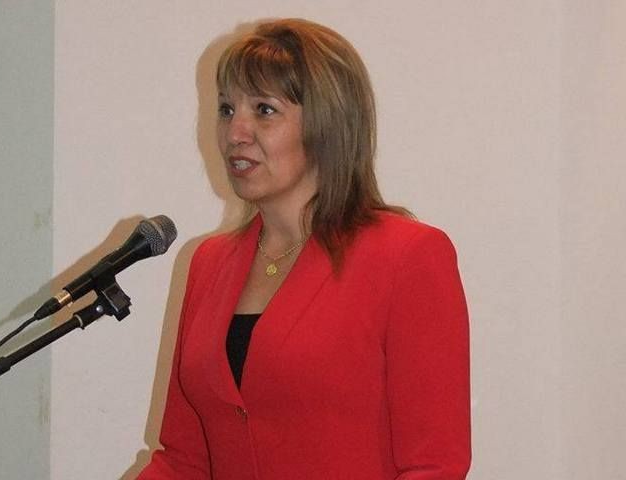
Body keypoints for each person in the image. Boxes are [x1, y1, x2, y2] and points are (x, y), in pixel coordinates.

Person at [138, 18, 470, 480]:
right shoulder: (208, 264)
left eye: (264, 110)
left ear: (326, 125)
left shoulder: (407, 257)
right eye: (226, 109)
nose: (236, 132)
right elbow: (183, 460)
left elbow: (434, 465)